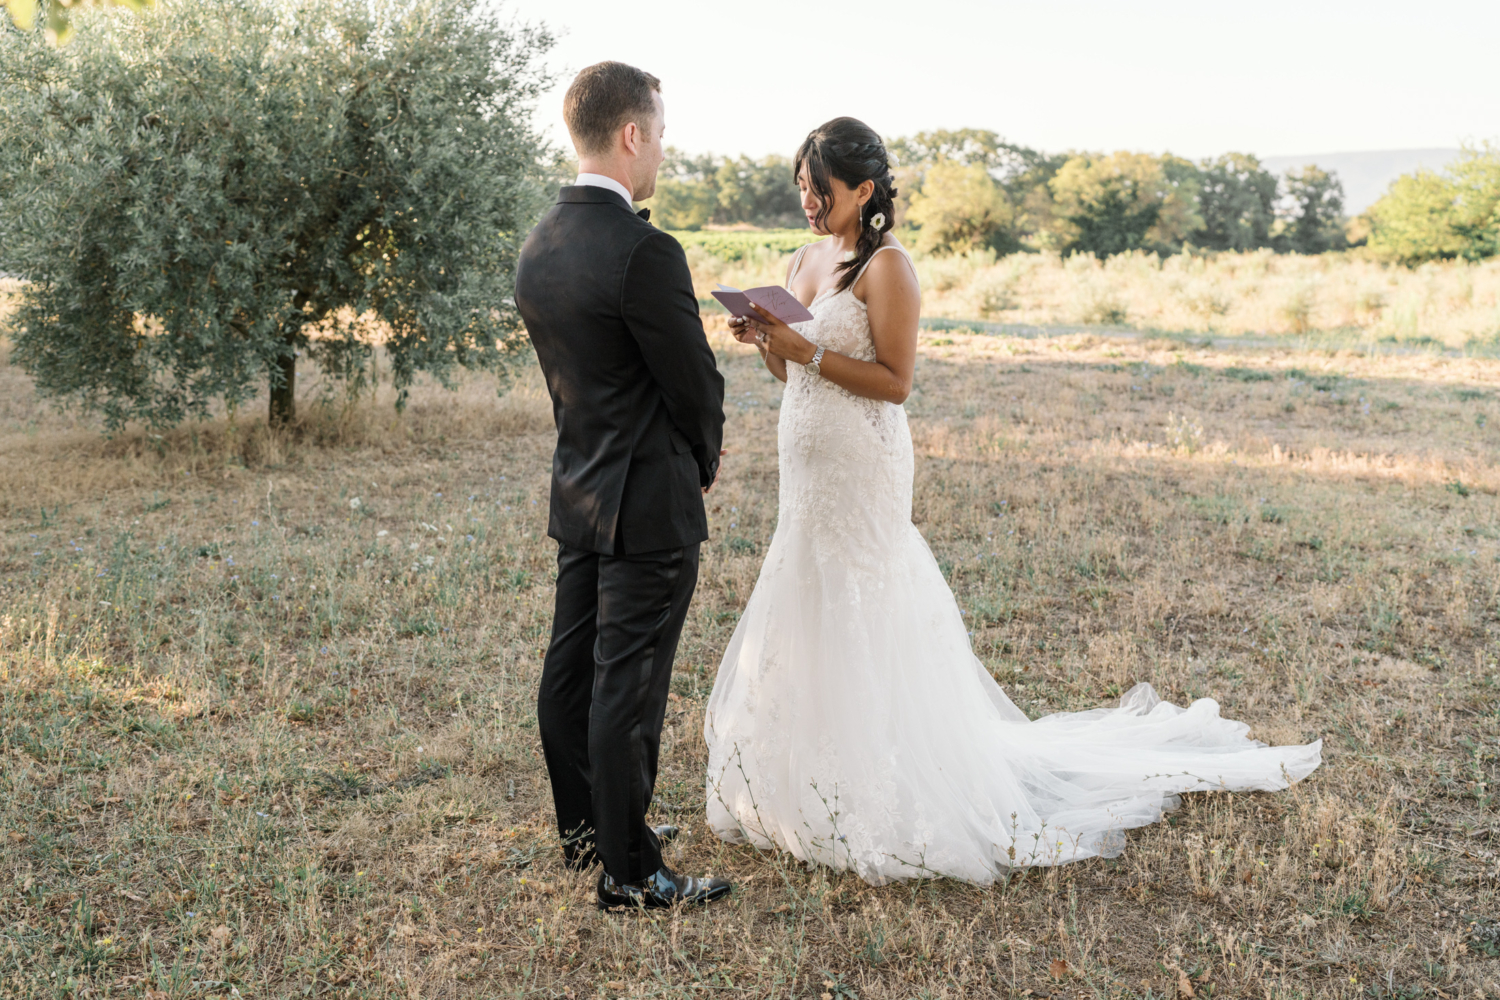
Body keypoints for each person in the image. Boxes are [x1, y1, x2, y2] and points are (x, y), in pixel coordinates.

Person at [704, 117, 1321, 885]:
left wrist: (809, 351)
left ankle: (886, 786)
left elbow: (896, 383)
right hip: (805, 471)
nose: (806, 200)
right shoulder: (802, 258)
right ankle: (807, 784)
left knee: (864, 603)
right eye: (799, 185)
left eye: (819, 188)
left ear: (863, 191)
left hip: (864, 468)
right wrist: (769, 345)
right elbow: (794, 377)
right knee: (809, 602)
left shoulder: (888, 268)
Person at [515, 61, 731, 910]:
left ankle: (590, 831)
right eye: (662, 134)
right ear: (631, 135)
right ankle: (631, 872)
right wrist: (703, 460)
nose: (664, 151)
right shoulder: (644, 250)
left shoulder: (540, 243)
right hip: (646, 501)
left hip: (579, 486)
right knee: (628, 684)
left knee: (573, 670)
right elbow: (694, 382)